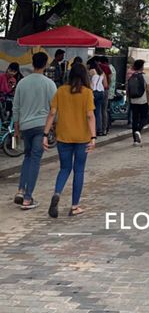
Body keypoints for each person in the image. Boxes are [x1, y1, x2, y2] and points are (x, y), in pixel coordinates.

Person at [43, 62, 96, 217]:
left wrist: (45, 134)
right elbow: (90, 115)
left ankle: (57, 193)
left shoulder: (61, 91)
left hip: (63, 136)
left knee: (64, 168)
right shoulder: (87, 93)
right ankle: (74, 206)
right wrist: (93, 137)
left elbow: (52, 113)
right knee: (78, 170)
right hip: (82, 137)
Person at [12, 52, 57, 210]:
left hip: (25, 126)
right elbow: (54, 108)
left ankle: (21, 189)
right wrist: (54, 126)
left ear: (32, 63)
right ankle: (27, 198)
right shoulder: (49, 84)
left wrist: (16, 128)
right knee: (35, 159)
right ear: (45, 65)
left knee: (27, 157)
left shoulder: (22, 83)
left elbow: (16, 107)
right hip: (41, 126)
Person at [127, 59, 149, 145]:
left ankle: (135, 141)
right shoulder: (145, 76)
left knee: (135, 120)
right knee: (145, 118)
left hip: (133, 101)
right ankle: (138, 130)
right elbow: (147, 90)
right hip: (143, 101)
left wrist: (129, 100)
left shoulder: (131, 76)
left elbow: (128, 90)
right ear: (142, 67)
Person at [87, 60, 106, 136]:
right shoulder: (102, 73)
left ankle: (92, 130)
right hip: (101, 92)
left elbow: (90, 84)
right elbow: (104, 84)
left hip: (94, 92)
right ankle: (99, 129)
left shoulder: (92, 71)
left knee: (92, 112)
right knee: (98, 112)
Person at [97, 53, 112, 134]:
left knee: (97, 110)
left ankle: (98, 129)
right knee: (104, 110)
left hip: (96, 90)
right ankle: (104, 129)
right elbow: (110, 78)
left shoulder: (96, 67)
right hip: (105, 89)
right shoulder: (106, 67)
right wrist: (107, 85)